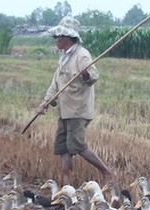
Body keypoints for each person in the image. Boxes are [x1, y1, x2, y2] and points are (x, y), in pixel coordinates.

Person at [36, 16, 114, 185]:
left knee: (77, 145)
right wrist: (45, 102)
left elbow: (93, 76)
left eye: (59, 37)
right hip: (64, 110)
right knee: (63, 147)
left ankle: (106, 172)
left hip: (78, 110)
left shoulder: (82, 55)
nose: (56, 40)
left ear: (68, 38)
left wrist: (85, 74)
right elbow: (55, 84)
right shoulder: (63, 57)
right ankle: (67, 183)